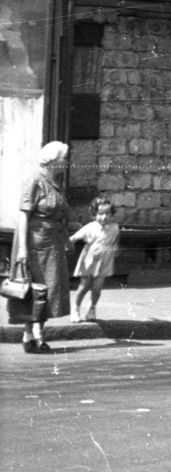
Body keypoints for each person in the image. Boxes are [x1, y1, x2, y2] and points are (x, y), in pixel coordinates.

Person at [7, 141, 72, 354]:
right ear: (53, 161)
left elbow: (59, 216)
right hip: (33, 245)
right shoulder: (34, 180)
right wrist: (23, 250)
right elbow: (24, 216)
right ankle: (29, 336)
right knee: (31, 290)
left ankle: (39, 334)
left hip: (52, 244)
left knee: (49, 291)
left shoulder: (55, 182)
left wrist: (67, 239)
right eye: (64, 159)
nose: (66, 163)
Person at [69, 197, 121, 322]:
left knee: (97, 288)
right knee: (84, 286)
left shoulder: (115, 228)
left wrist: (115, 250)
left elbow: (116, 241)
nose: (104, 217)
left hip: (105, 261)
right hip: (90, 260)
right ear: (94, 214)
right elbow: (74, 238)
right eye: (100, 214)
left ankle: (92, 309)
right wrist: (65, 244)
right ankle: (75, 309)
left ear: (112, 214)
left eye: (107, 213)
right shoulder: (91, 227)